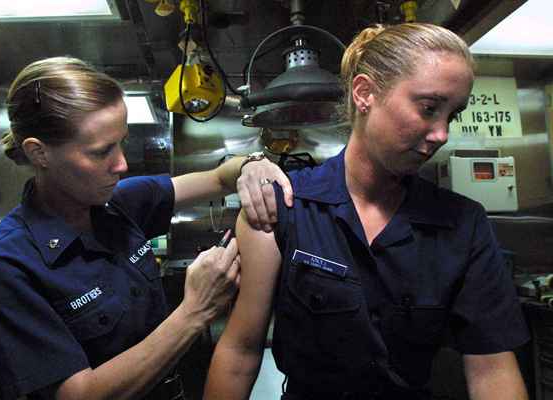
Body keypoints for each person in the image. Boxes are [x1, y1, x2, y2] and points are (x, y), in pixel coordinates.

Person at [204, 23, 529, 400]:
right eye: (428, 108)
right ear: (364, 93)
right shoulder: (283, 207)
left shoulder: (463, 224)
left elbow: (492, 370)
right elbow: (240, 352)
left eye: (451, 115)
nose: (442, 134)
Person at [0, 56, 293, 400]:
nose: (121, 164)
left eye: (121, 141)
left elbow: (217, 177)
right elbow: (76, 394)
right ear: (40, 153)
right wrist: (194, 312)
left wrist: (251, 165)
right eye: (101, 151)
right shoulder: (4, 265)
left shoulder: (120, 203)